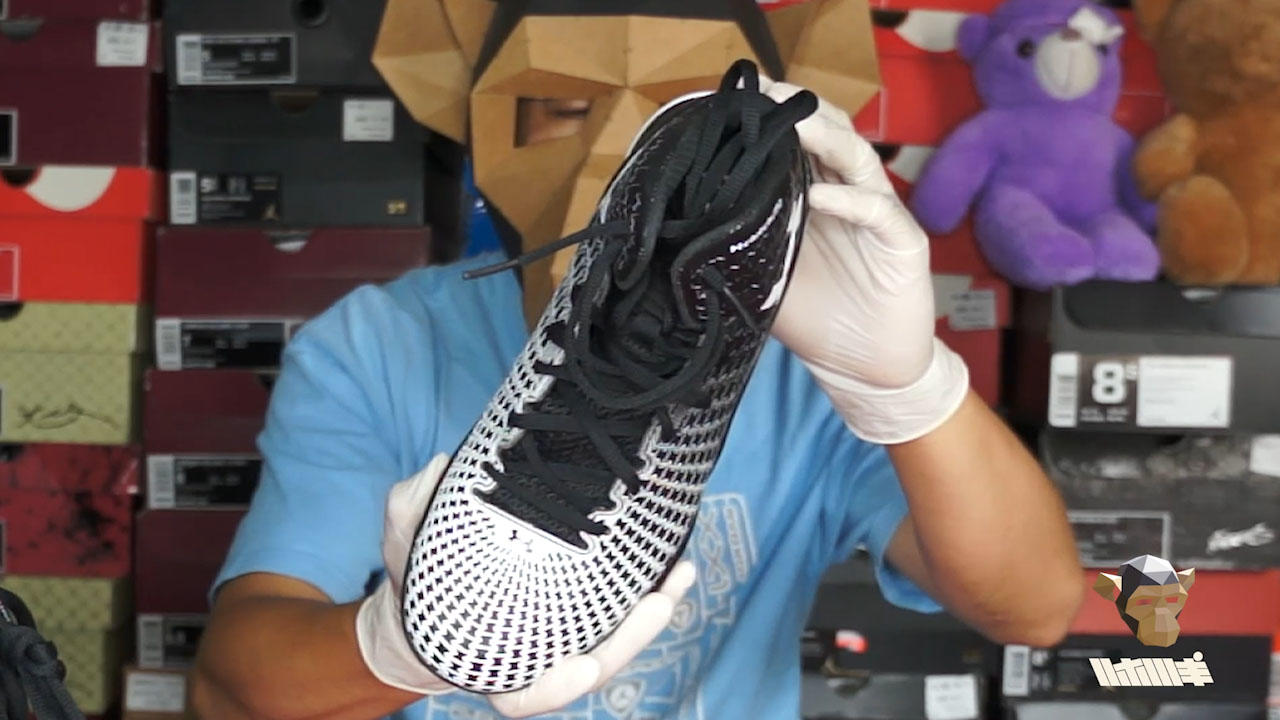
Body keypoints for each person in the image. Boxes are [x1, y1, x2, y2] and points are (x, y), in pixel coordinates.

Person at [191, 80, 1084, 720]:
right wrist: (404, 648)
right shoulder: (377, 345)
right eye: (563, 105)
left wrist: (908, 387)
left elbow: (1037, 608)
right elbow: (228, 692)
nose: (614, 146)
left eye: (671, 103)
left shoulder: (809, 372)